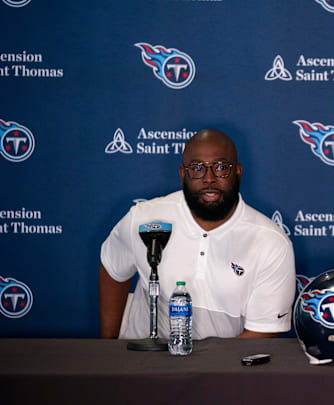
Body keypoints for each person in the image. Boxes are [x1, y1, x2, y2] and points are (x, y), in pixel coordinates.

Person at [99, 129, 295, 339]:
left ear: (238, 172)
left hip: (222, 367)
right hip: (141, 364)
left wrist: (205, 368)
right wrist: (109, 347)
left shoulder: (270, 243)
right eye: (197, 168)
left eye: (221, 168)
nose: (209, 178)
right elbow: (113, 269)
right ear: (183, 174)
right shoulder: (145, 219)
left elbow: (261, 334)